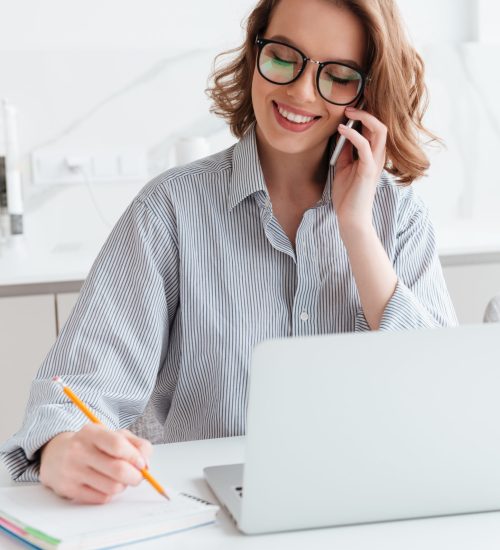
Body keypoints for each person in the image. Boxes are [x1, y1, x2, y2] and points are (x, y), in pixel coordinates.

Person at [1, 0, 457, 504]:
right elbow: (75, 392)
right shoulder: (169, 210)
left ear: (366, 92)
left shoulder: (400, 219)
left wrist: (357, 229)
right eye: (285, 57)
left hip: (365, 511)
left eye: (339, 75)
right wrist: (62, 447)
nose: (302, 91)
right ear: (254, 50)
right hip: (199, 521)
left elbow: (442, 405)